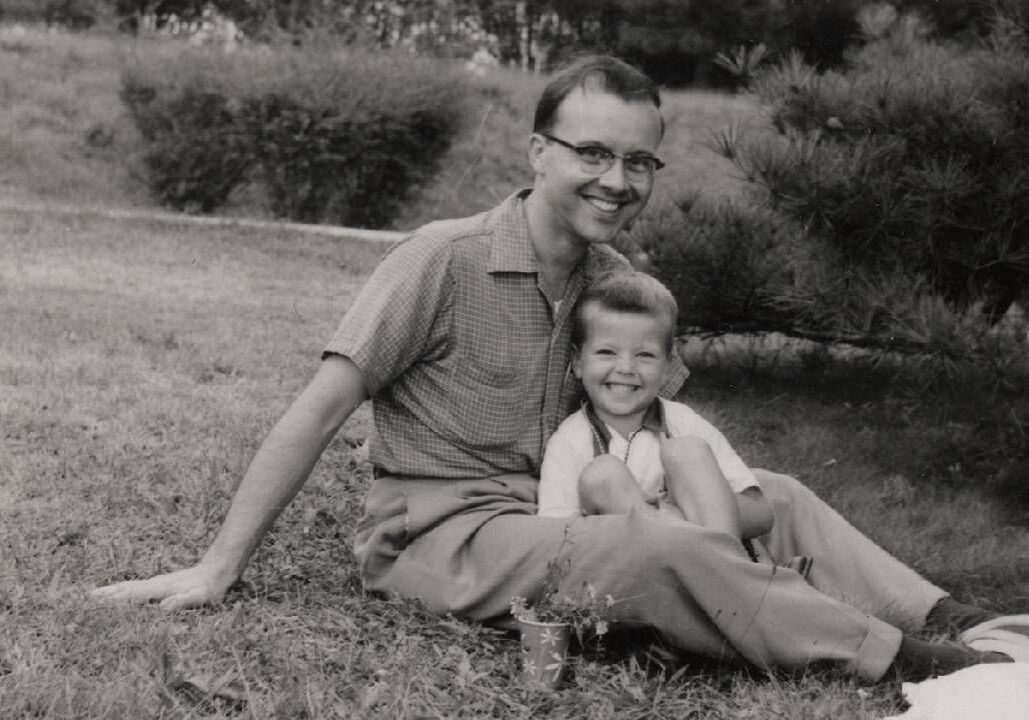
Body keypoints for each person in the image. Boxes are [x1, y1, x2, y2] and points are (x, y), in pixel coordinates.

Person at [92, 53, 1008, 681]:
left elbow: (658, 430)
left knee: (781, 492)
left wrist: (710, 497)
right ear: (538, 153)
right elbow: (319, 408)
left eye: (639, 161)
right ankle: (905, 664)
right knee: (648, 548)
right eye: (594, 154)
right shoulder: (439, 258)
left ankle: (952, 621)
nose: (617, 180)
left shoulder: (621, 286)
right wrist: (218, 566)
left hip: (568, 512)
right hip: (446, 535)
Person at [537, 270, 793, 564]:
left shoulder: (684, 424)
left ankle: (726, 579)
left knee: (688, 452)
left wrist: (686, 507)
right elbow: (556, 539)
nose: (625, 368)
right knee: (603, 475)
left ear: (668, 367)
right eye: (607, 352)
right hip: (630, 574)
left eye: (644, 355)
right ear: (578, 362)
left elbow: (760, 513)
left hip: (714, 560)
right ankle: (692, 573)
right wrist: (651, 521)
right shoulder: (569, 443)